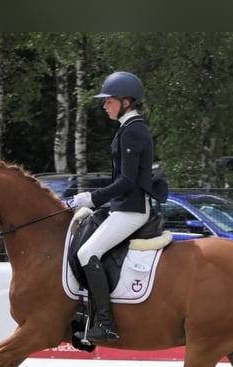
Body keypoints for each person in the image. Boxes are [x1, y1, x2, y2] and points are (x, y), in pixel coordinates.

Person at [67, 71, 154, 342]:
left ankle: (105, 323)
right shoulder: (127, 129)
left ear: (126, 102)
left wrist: (93, 199)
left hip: (132, 210)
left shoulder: (133, 131)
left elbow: (127, 181)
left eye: (109, 101)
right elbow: (119, 179)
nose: (105, 106)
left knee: (87, 252)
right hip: (121, 205)